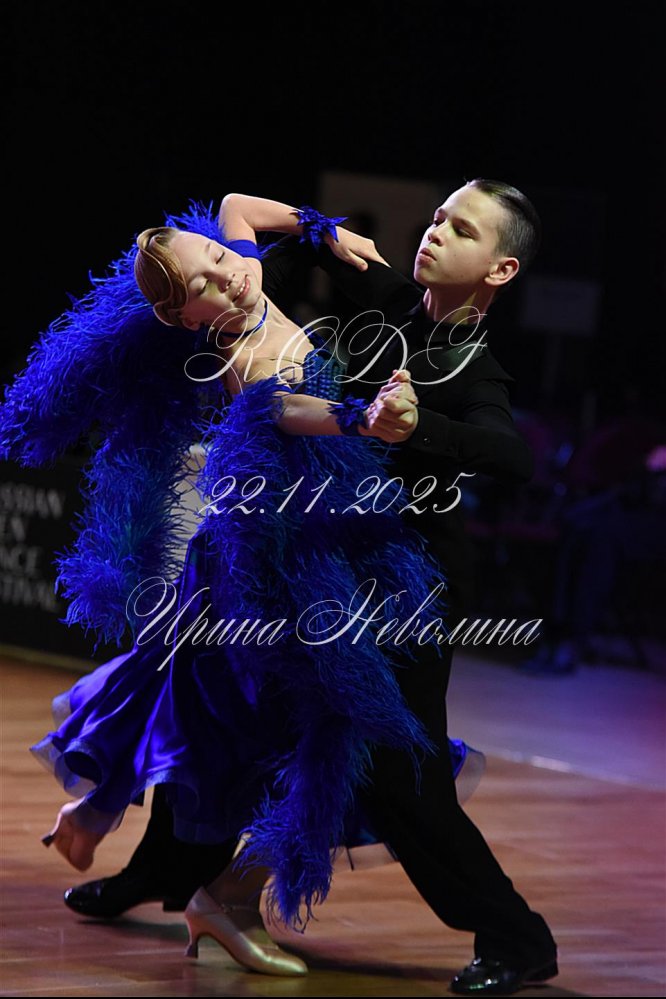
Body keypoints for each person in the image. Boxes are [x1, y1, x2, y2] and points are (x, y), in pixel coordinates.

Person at [1, 198, 472, 980]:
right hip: (262, 569)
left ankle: (123, 830)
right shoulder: (240, 356)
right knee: (278, 727)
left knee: (218, 707)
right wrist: (361, 417)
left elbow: (233, 209)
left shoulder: (244, 273)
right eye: (207, 284)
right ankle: (214, 892)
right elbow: (289, 410)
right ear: (185, 317)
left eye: (221, 259)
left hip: (279, 547)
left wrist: (323, 230)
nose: (230, 277)